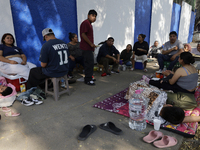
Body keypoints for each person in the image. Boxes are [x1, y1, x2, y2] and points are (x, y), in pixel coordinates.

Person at [80, 9, 97, 85]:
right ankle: (87, 79)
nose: (94, 18)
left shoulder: (89, 24)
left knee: (90, 63)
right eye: (92, 15)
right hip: (86, 48)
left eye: (95, 16)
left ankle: (90, 77)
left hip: (89, 47)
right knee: (88, 63)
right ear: (88, 15)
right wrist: (90, 44)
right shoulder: (85, 23)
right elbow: (83, 34)